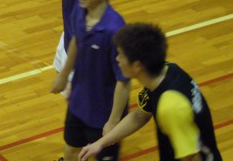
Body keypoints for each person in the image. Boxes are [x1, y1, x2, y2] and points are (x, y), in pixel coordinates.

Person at [79, 23, 222, 161]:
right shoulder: (166, 71)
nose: (117, 59)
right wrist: (101, 143)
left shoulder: (170, 106)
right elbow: (139, 117)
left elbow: (192, 157)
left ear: (137, 65)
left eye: (121, 55)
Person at [50, 0, 130, 161]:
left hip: (104, 111)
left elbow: (123, 81)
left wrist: (113, 122)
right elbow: (76, 40)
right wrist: (64, 75)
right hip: (79, 102)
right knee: (71, 149)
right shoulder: (80, 11)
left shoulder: (114, 31)